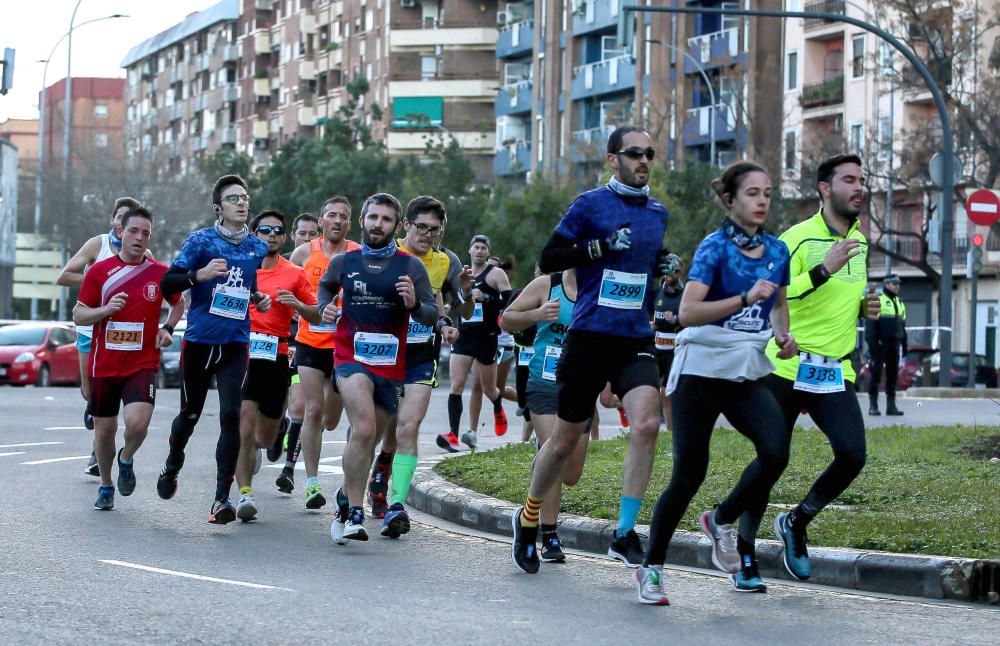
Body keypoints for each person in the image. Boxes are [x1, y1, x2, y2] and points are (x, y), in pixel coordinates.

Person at [509, 125, 674, 574]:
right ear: (613, 159)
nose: (643, 161)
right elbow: (550, 257)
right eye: (634, 153)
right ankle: (528, 518)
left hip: (634, 337)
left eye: (650, 154)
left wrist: (664, 264)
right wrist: (598, 247)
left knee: (646, 424)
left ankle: (623, 532)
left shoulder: (658, 213)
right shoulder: (589, 205)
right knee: (563, 443)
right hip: (589, 338)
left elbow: (645, 261)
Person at [635, 161, 797, 605]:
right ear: (730, 200)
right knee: (689, 473)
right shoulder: (714, 248)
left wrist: (784, 334)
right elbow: (687, 313)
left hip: (744, 368)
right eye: (752, 193)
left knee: (776, 449)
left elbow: (779, 303)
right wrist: (744, 298)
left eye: (767, 192)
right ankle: (652, 568)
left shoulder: (777, 250)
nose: (762, 200)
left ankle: (722, 519)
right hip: (701, 369)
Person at [752, 153, 880, 583]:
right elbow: (774, 294)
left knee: (852, 454)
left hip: (833, 370)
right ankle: (744, 552)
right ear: (825, 189)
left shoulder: (861, 241)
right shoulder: (797, 239)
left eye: (861, 179)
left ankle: (797, 522)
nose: (858, 187)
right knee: (771, 459)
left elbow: (839, 300)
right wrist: (823, 271)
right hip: (787, 367)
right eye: (849, 180)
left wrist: (864, 307)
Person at [315, 193, 437, 542]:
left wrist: (415, 304)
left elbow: (430, 314)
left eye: (385, 219)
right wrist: (325, 307)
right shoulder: (345, 262)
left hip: (390, 365)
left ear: (396, 226)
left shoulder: (410, 266)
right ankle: (355, 511)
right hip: (350, 358)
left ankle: (345, 495)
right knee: (364, 428)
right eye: (372, 218)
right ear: (363, 221)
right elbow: (325, 287)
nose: (377, 225)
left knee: (369, 440)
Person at [157, 175, 272, 524]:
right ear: (218, 208)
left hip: (235, 343)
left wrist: (259, 299)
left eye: (245, 197)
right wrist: (199, 275)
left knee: (231, 416)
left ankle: (222, 498)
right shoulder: (200, 241)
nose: (241, 203)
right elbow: (168, 283)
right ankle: (173, 460)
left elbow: (246, 285)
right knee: (190, 414)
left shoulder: (257, 247)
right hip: (200, 342)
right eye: (233, 198)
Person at [364, 195, 473, 528]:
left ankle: (396, 503)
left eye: (435, 230)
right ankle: (372, 475)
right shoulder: (384, 252)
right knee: (375, 430)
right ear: (406, 225)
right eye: (421, 227)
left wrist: (465, 294)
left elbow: (463, 312)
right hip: (381, 353)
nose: (428, 234)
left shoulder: (447, 261)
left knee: (408, 426)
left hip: (421, 354)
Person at [73, 207, 185, 510]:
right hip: (104, 364)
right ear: (120, 232)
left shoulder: (160, 273)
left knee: (137, 424)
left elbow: (178, 303)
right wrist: (105, 310)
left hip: (142, 363)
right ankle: (106, 485)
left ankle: (126, 458)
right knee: (105, 430)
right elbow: (79, 314)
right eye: (134, 231)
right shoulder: (99, 272)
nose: (139, 237)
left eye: (146, 232)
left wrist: (168, 328)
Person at [501, 268, 595, 563]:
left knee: (571, 473)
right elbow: (506, 318)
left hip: (580, 386)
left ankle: (542, 461)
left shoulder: (599, 288)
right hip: (544, 381)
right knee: (554, 452)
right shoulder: (547, 285)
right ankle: (548, 532)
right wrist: (538, 314)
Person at [233, 211, 321, 521]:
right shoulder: (241, 268)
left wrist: (296, 305)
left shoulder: (294, 274)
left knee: (264, 438)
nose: (271, 235)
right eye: (264, 230)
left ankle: (277, 428)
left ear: (284, 238)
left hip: (276, 357)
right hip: (242, 356)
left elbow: (316, 314)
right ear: (253, 234)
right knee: (242, 425)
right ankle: (245, 493)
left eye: (277, 231)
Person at [56, 196, 143, 476]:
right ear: (113, 221)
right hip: (90, 327)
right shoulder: (98, 244)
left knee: (113, 391)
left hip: (121, 332)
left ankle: (97, 454)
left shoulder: (142, 251)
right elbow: (65, 275)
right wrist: (101, 280)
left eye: (129, 219)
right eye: (120, 217)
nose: (124, 224)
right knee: (89, 390)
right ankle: (92, 405)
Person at [286, 197, 360, 507]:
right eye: (332, 215)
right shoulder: (304, 253)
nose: (337, 220)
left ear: (349, 224)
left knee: (331, 419)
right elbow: (284, 287)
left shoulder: (358, 254)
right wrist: (296, 313)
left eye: (343, 216)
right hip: (309, 343)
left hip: (345, 346)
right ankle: (312, 483)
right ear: (321, 222)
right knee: (312, 409)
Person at [438, 235, 512, 452]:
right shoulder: (463, 274)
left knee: (489, 389)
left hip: (487, 338)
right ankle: (452, 434)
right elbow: (456, 299)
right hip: (465, 336)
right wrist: (454, 303)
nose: (479, 251)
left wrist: (488, 298)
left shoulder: (496, 274)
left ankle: (498, 406)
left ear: (488, 252)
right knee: (457, 384)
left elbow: (510, 301)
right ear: (469, 251)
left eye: (483, 248)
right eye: (476, 247)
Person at [268, 212, 322, 484]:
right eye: (303, 233)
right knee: (278, 401)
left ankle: (288, 469)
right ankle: (277, 426)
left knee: (301, 404)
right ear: (294, 236)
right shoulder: (282, 265)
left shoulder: (327, 265)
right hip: (279, 340)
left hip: (306, 342)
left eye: (314, 234)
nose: (309, 238)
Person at [866, 274, 907, 415]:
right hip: (880, 345)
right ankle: (873, 406)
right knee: (875, 375)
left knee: (892, 376)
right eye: (894, 283)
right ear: (886, 284)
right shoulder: (877, 300)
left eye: (898, 284)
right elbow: (870, 326)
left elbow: (903, 326)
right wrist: (872, 345)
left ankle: (891, 406)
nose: (897, 286)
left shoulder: (900, 302)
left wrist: (905, 345)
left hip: (894, 346)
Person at [652, 259, 684, 430]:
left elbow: (692, 320)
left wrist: (676, 320)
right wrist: (651, 324)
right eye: (667, 270)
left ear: (680, 273)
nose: (669, 274)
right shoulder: (657, 292)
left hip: (676, 349)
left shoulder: (685, 295)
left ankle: (671, 431)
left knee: (666, 393)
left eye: (674, 270)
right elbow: (650, 315)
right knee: (649, 389)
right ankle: (650, 428)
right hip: (657, 347)